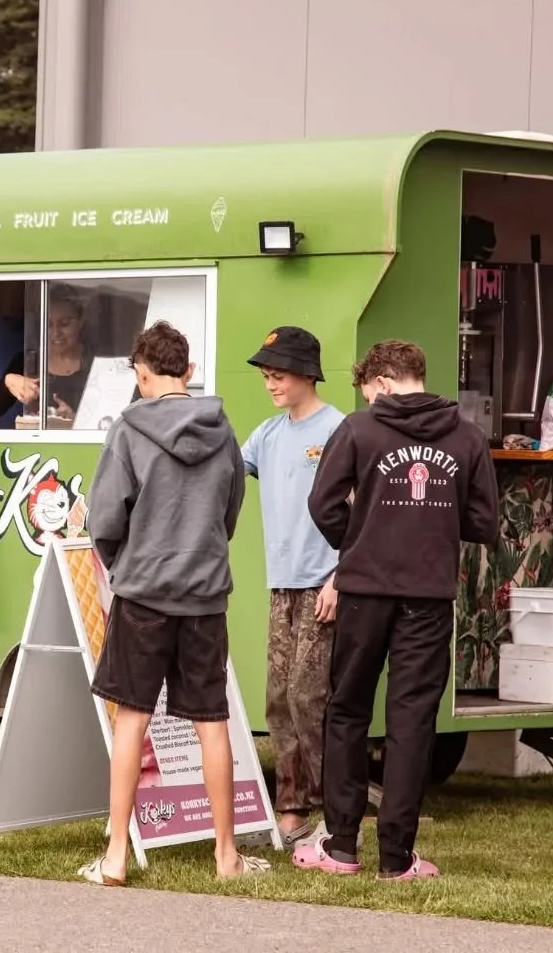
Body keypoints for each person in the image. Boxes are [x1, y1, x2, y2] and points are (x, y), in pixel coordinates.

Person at [78, 321, 268, 886]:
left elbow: (105, 517)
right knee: (212, 722)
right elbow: (230, 512)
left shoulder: (129, 430)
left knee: (132, 717)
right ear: (187, 371)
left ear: (141, 374)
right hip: (205, 593)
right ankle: (227, 856)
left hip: (143, 594)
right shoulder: (225, 430)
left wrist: (124, 564)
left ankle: (115, 856)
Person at [299, 340, 497, 880]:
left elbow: (322, 502)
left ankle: (340, 847)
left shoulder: (360, 431)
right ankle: (396, 857)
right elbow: (483, 521)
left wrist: (359, 539)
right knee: (412, 720)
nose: (368, 402)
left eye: (369, 392)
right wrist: (429, 526)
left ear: (383, 382)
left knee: (348, 710)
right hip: (429, 595)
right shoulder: (467, 437)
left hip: (363, 590)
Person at [240, 326, 345, 847]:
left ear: (307, 372)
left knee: (310, 696)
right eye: (265, 376)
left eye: (277, 375)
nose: (270, 384)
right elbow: (228, 470)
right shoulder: (266, 434)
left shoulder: (341, 431)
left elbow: (365, 514)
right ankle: (291, 813)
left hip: (324, 586)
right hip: (281, 586)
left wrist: (340, 577)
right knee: (278, 699)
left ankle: (335, 814)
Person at [0, 288, 92, 423]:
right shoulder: (28, 361)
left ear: (80, 322)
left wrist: (76, 420)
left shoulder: (96, 363)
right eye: (49, 325)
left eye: (65, 324)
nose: (56, 333)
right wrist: (8, 382)